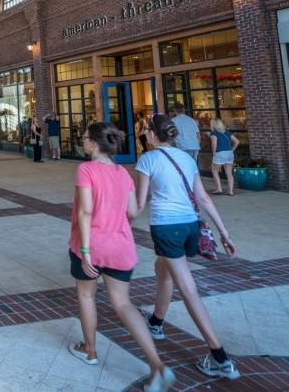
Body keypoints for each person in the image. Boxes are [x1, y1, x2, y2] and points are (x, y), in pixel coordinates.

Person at [70, 122, 176, 392]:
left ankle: (90, 350)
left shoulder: (86, 169)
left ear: (94, 143)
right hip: (120, 245)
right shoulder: (123, 173)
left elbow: (85, 212)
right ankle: (157, 365)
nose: (82, 142)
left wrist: (85, 251)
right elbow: (132, 210)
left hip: (92, 244)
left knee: (86, 295)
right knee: (123, 304)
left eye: (84, 138)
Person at [137, 114, 239, 380]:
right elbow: (202, 196)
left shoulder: (147, 159)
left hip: (166, 227)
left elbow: (139, 203)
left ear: (154, 134)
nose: (145, 134)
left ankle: (219, 356)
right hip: (191, 226)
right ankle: (156, 322)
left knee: (188, 289)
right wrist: (223, 231)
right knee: (163, 268)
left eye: (146, 130)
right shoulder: (185, 157)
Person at [208, 119, 239, 196]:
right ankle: (230, 191)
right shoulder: (227, 132)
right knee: (229, 173)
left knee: (214, 171)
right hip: (229, 153)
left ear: (214, 125)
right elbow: (237, 141)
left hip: (219, 153)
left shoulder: (214, 133)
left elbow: (214, 144)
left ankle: (219, 188)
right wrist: (232, 149)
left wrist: (214, 152)